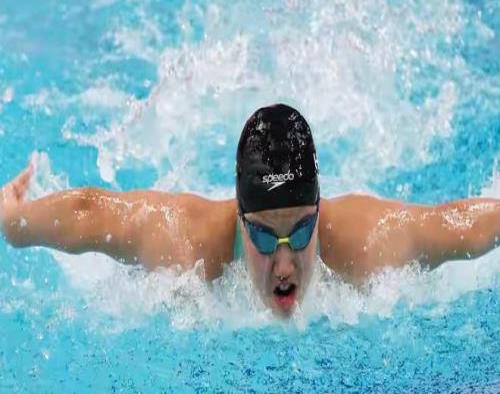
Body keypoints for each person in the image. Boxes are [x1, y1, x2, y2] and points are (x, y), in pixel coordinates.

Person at [1, 104, 499, 317]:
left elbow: (455, 224)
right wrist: (12, 223)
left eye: (300, 232)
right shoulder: (186, 245)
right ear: (240, 218)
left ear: (319, 212)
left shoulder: (368, 243)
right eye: (262, 236)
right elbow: (92, 213)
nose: (284, 265)